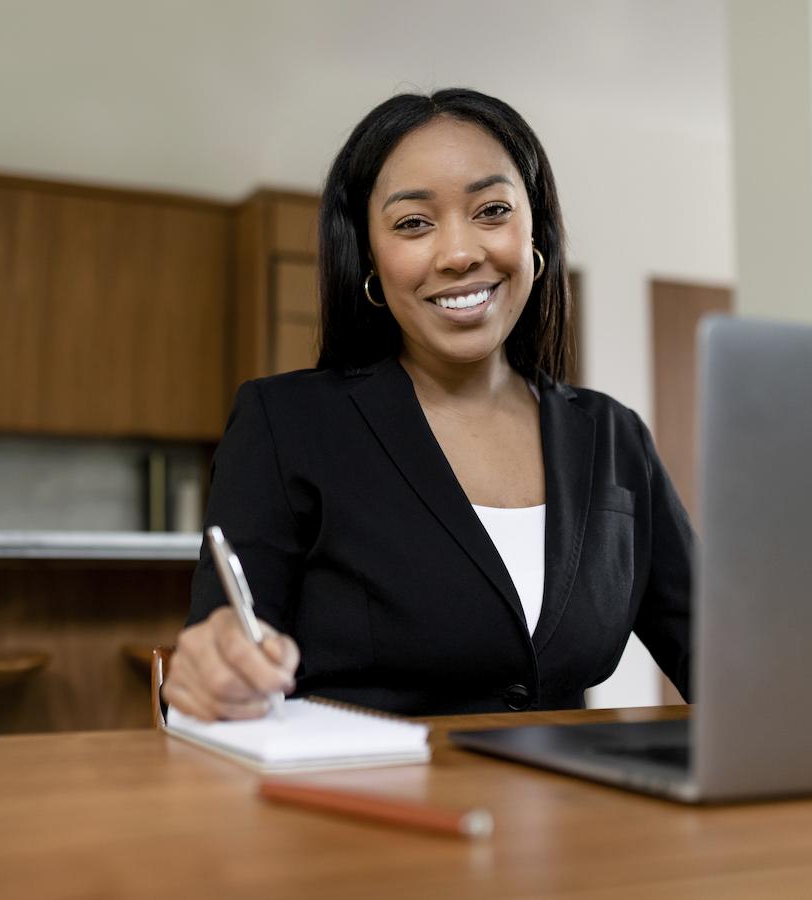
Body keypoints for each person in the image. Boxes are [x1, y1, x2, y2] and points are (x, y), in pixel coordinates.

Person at [162, 88, 693, 721]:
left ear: (535, 232)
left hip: (573, 813)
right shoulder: (287, 425)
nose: (460, 253)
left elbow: (724, 659)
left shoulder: (613, 435)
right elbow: (224, 653)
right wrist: (212, 673)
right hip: (359, 811)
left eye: (492, 209)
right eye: (413, 223)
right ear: (369, 257)